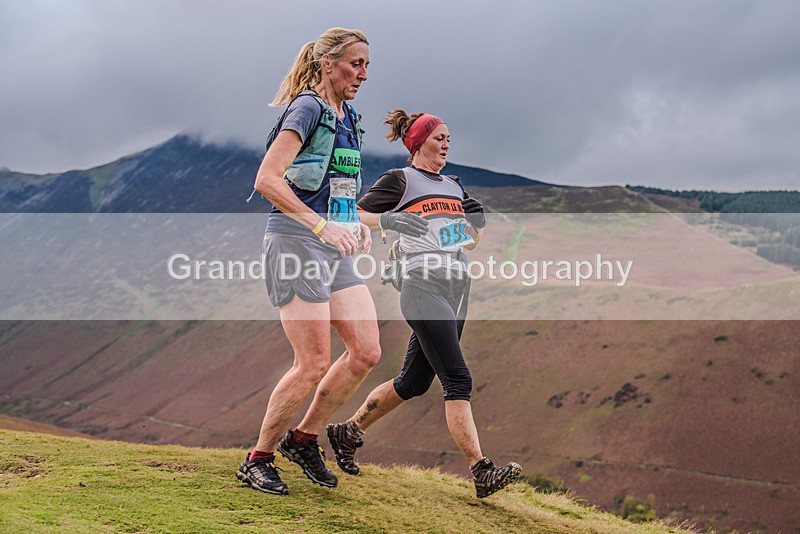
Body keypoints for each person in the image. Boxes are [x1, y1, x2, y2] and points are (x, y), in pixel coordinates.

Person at [326, 110, 522, 498]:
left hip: (455, 288)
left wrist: (475, 227)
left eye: (450, 138)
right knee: (458, 380)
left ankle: (347, 433)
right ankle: (481, 472)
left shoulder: (453, 185)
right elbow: (355, 215)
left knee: (413, 382)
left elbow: (467, 241)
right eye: (439, 138)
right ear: (418, 143)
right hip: (421, 286)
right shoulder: (400, 180)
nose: (447, 144)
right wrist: (392, 222)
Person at [236, 28, 381, 495]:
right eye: (354, 64)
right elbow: (268, 180)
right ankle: (258, 458)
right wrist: (321, 226)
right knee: (313, 362)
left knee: (366, 351)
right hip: (295, 244)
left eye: (366, 66)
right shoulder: (307, 108)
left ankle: (303, 438)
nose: (361, 74)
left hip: (331, 247)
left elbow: (336, 196)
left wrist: (357, 224)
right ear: (326, 63)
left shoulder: (349, 116)